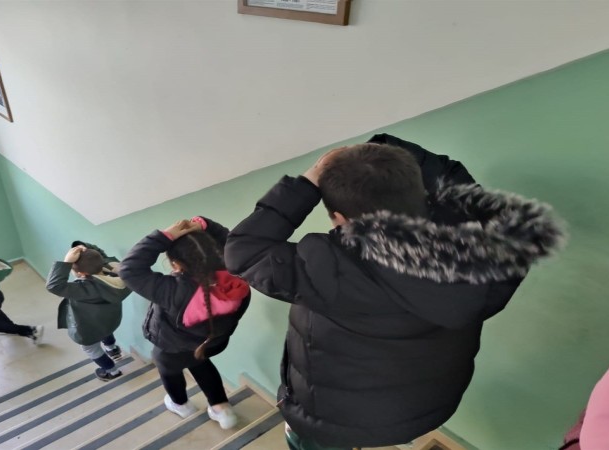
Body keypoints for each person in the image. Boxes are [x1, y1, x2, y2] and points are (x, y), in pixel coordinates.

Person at [224, 135, 566, 449]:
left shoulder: (326, 266)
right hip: (427, 406)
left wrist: (310, 179)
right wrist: (383, 150)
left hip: (331, 422)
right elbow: (457, 180)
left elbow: (243, 251)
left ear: (340, 218)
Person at [119, 217, 250, 430]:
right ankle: (223, 410)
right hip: (210, 344)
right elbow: (235, 243)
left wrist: (164, 236)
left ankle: (180, 405)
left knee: (169, 371)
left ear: (176, 265)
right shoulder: (238, 277)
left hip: (171, 349)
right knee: (201, 364)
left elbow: (128, 269)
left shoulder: (173, 292)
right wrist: (206, 225)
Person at [45, 243, 131, 381]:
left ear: (81, 274)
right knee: (106, 332)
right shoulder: (116, 276)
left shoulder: (84, 289)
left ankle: (112, 371)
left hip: (87, 329)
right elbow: (101, 258)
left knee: (91, 349)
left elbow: (54, 285)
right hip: (109, 320)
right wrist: (88, 249)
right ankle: (113, 349)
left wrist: (66, 262)